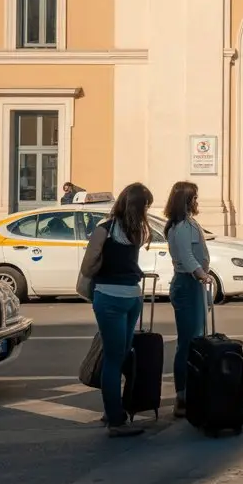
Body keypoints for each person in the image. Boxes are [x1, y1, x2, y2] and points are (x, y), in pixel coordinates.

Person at [81, 183, 153, 438]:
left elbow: (88, 267)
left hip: (108, 297)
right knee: (120, 355)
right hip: (133, 296)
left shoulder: (104, 230)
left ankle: (114, 417)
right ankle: (114, 412)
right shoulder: (138, 232)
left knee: (112, 359)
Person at [163, 181, 211, 419]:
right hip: (187, 284)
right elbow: (186, 255)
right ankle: (182, 396)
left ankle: (193, 390)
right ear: (185, 201)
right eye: (193, 197)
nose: (196, 201)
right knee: (188, 342)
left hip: (193, 284)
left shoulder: (187, 223)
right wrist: (201, 274)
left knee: (196, 339)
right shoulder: (181, 227)